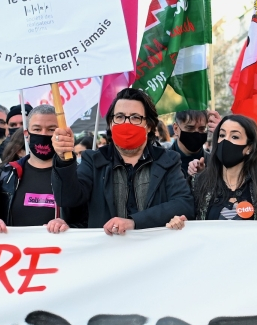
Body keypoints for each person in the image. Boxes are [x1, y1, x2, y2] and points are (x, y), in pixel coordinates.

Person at [51, 87, 195, 233]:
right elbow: (69, 199)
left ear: (149, 126)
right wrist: (63, 160)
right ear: (111, 123)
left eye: (135, 117)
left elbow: (183, 204)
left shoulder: (167, 160)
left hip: (154, 252)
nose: (127, 123)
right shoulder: (93, 160)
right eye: (119, 117)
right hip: (106, 252)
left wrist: (134, 222)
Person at [167, 114, 257, 230]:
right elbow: (190, 221)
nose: (225, 141)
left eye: (234, 137)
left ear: (249, 148)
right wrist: (180, 222)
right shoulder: (198, 182)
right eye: (222, 135)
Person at [0, 105, 70, 233]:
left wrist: (68, 225)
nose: (43, 134)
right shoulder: (7, 174)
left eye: (51, 129)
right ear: (26, 134)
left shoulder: (73, 175)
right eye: (37, 129)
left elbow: (88, 221)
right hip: (16, 252)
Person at [172, 109, 222, 177]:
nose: (196, 133)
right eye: (190, 128)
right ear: (176, 129)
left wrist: (223, 133)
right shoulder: (161, 162)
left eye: (201, 129)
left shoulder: (215, 163)